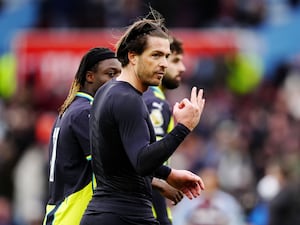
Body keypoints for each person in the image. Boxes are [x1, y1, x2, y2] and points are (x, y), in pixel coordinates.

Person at [80, 9, 206, 225]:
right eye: (155, 55)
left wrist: (169, 174)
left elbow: (125, 156)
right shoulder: (128, 99)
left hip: (104, 214)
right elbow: (141, 161)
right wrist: (183, 127)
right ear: (133, 56)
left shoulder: (108, 91)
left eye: (166, 56)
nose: (164, 64)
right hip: (126, 216)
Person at [42, 47, 122, 225]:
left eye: (120, 74)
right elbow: (111, 166)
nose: (117, 80)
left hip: (64, 212)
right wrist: (161, 181)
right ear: (90, 76)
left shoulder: (72, 110)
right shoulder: (84, 112)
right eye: (110, 74)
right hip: (74, 214)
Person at [143, 36, 186, 225]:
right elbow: (147, 160)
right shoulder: (155, 103)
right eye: (176, 61)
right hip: (148, 208)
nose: (182, 68)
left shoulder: (140, 97)